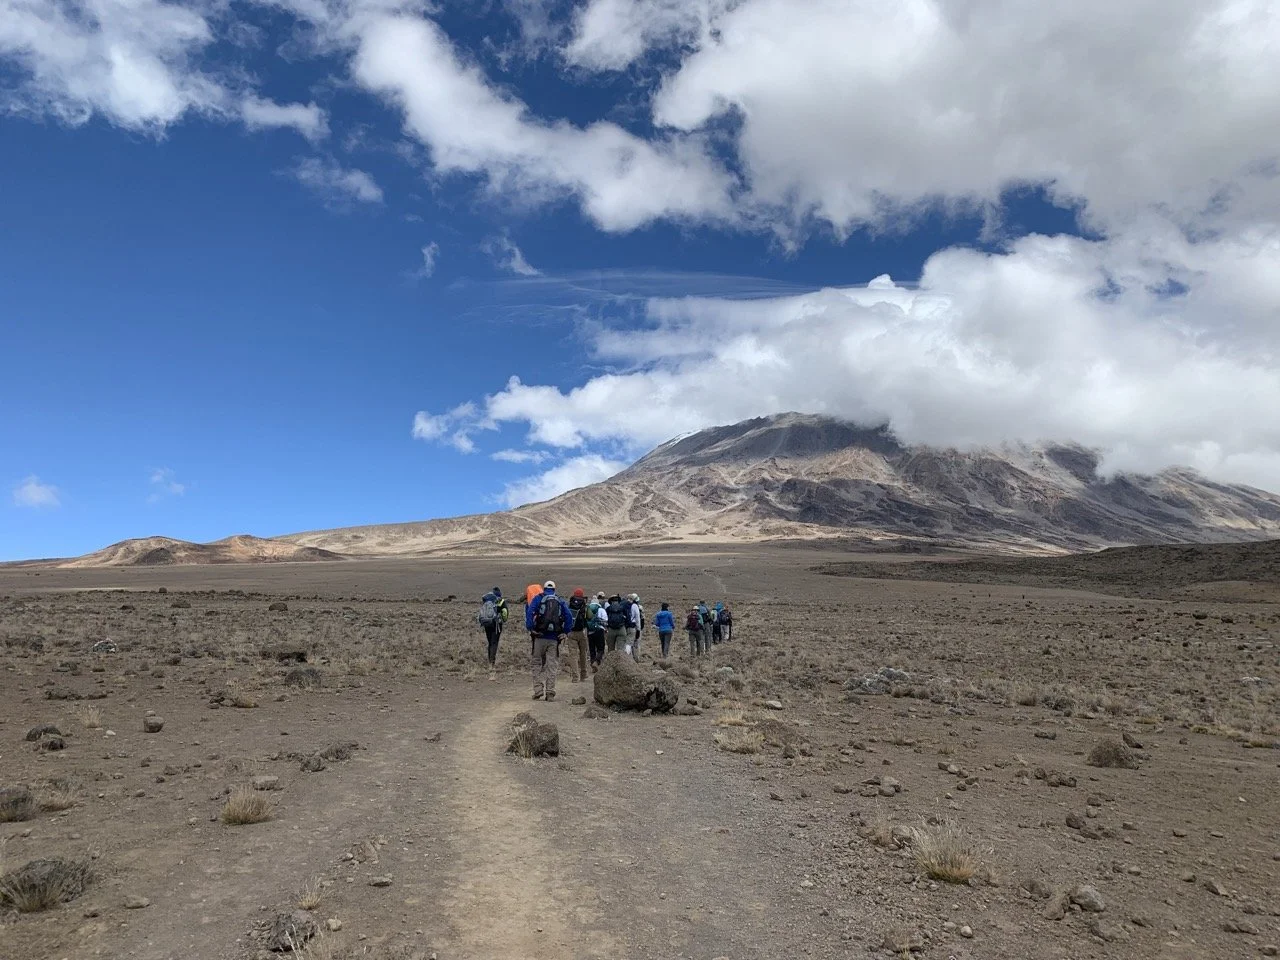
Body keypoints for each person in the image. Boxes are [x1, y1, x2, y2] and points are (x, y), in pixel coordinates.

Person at [525, 580, 573, 701]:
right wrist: (565, 632)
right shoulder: (560, 600)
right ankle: (550, 692)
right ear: (554, 589)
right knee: (552, 665)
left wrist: (530, 628)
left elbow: (530, 611)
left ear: (544, 588)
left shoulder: (538, 598)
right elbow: (568, 615)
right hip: (554, 638)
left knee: (536, 663)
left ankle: (538, 690)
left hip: (539, 637)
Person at [476, 587, 509, 677]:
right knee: (494, 643)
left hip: (487, 624)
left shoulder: (487, 600)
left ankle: (489, 661)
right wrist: (503, 620)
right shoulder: (501, 601)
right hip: (496, 624)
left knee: (490, 642)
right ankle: (492, 663)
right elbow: (505, 613)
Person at [566, 588, 591, 683]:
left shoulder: (569, 604)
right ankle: (583, 674)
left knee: (573, 655)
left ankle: (575, 677)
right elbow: (590, 616)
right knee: (583, 653)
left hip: (571, 632)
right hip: (582, 632)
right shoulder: (585, 605)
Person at [586, 592, 607, 672]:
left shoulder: (587, 609)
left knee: (592, 649)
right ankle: (597, 661)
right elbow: (605, 620)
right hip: (599, 631)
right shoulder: (601, 609)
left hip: (590, 632)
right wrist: (605, 628)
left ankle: (592, 663)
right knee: (601, 648)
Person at [628, 593, 644, 660]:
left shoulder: (627, 606)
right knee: (637, 644)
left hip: (629, 626)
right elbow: (641, 618)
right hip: (636, 626)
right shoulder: (639, 607)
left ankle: (630, 658)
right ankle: (637, 658)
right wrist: (639, 629)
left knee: (629, 643)